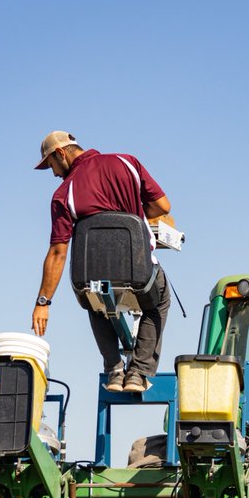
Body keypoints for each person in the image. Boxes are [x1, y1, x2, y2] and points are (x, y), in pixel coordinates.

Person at [31, 130, 174, 393]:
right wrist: (137, 214)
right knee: (158, 301)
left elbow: (57, 253)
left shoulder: (64, 194)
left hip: (93, 279)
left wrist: (43, 302)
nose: (53, 174)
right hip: (138, 272)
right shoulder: (127, 162)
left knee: (92, 296)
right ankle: (139, 373)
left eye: (51, 164)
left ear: (61, 153)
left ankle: (114, 369)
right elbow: (163, 206)